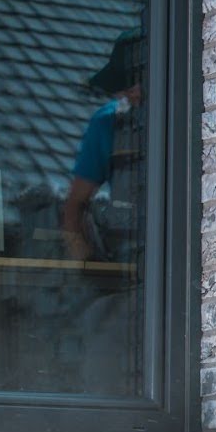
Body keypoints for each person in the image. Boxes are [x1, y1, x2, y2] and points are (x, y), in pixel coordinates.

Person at [61, 27, 143, 263]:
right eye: (124, 85)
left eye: (135, 82)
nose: (129, 93)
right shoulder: (107, 123)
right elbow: (74, 208)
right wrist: (88, 267)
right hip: (127, 269)